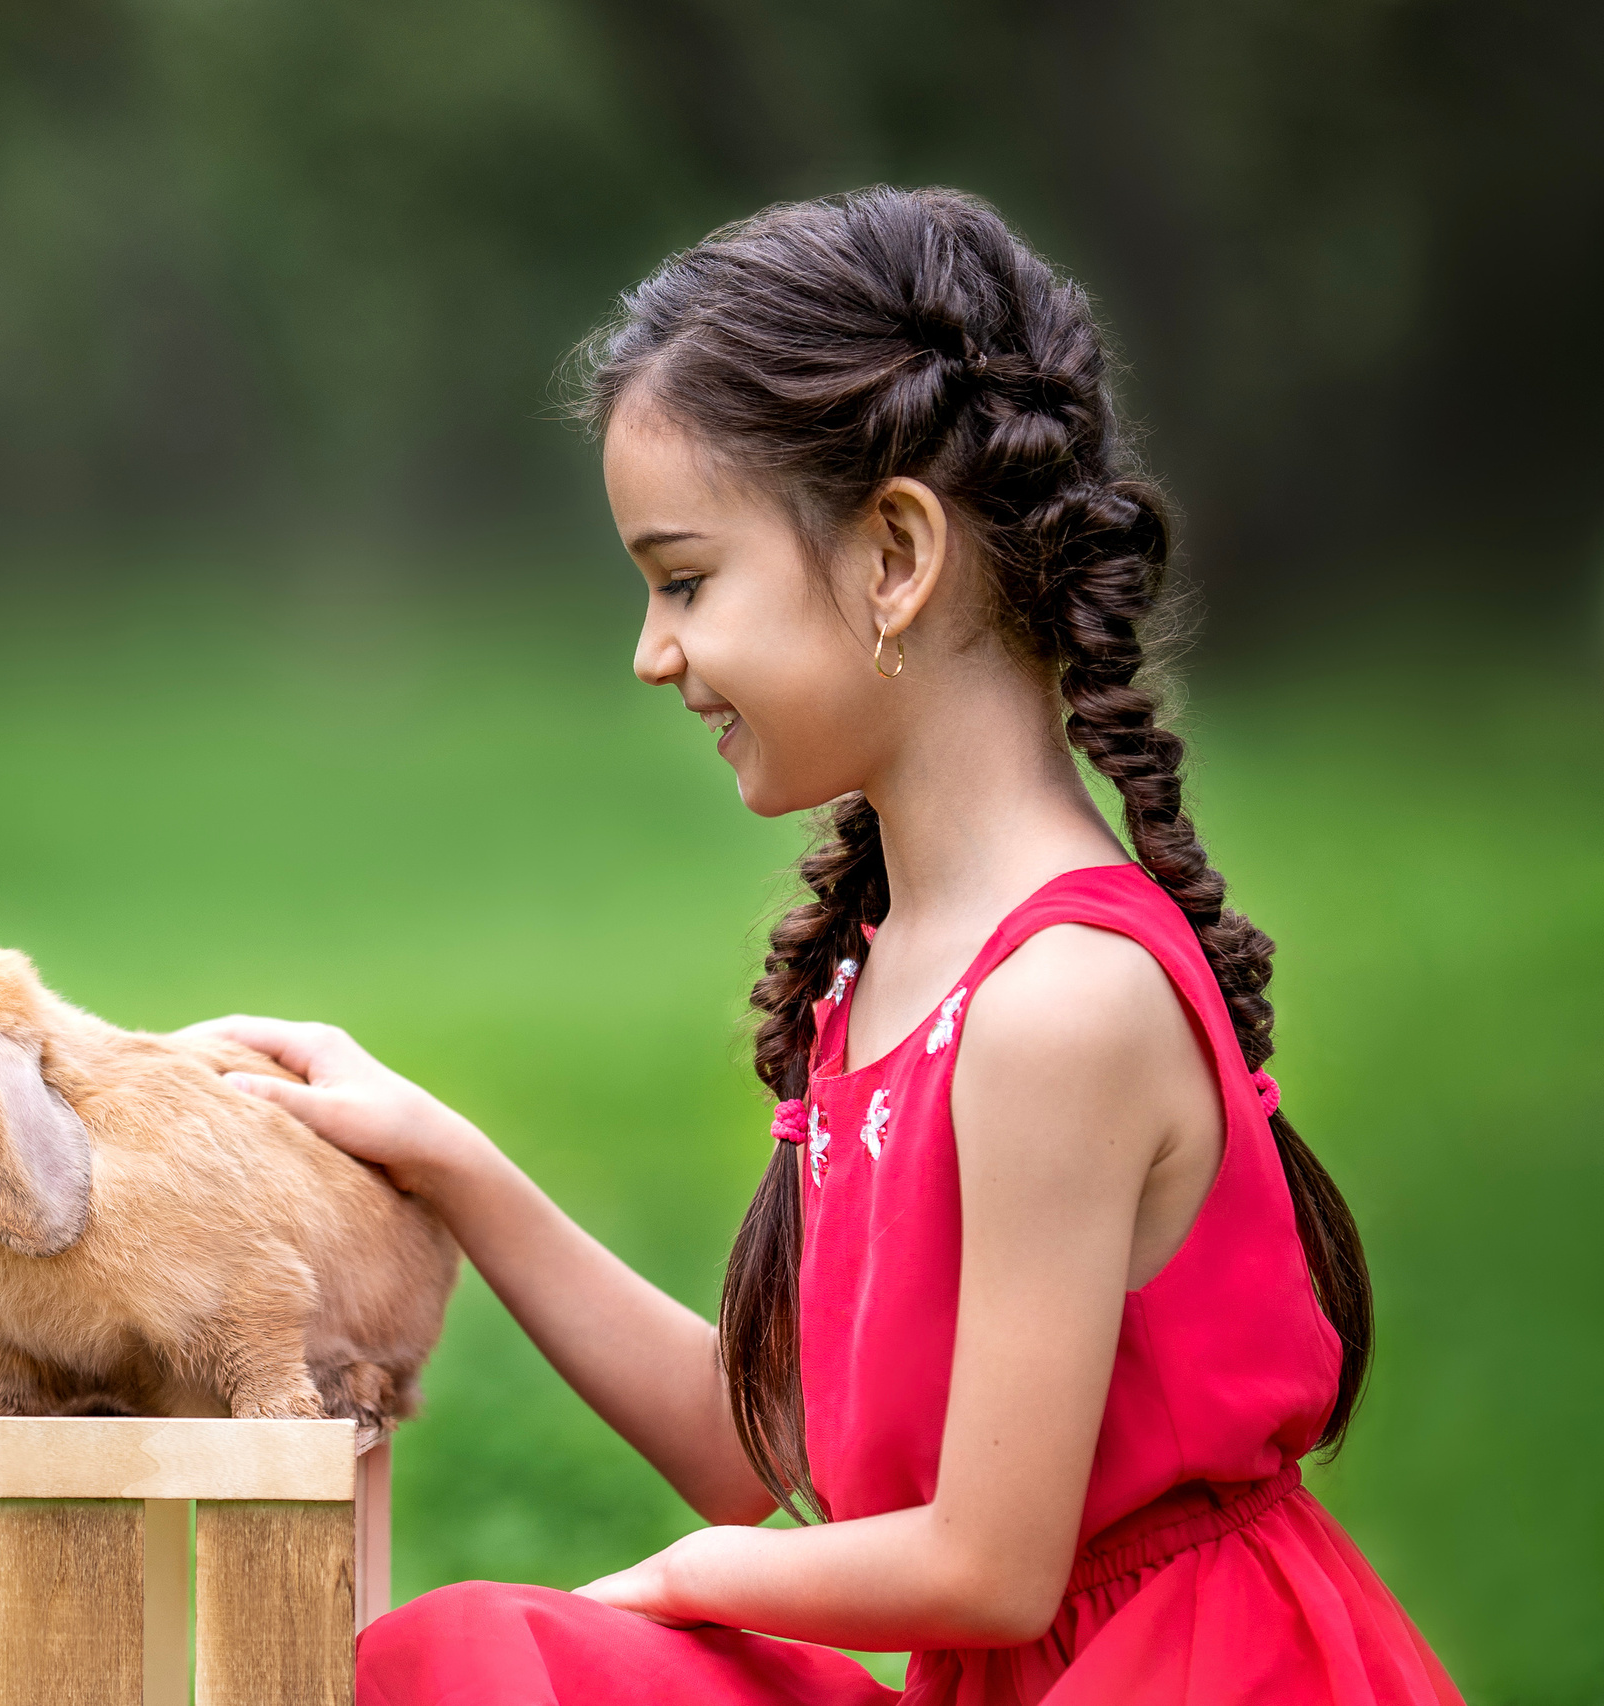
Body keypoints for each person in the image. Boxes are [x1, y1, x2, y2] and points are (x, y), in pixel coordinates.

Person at [191, 189, 1462, 1704]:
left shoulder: (1063, 1004)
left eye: (685, 579)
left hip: (1189, 1678)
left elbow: (989, 1566)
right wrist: (446, 1160)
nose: (653, 652)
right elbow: (766, 1450)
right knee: (469, 1653)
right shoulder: (891, 966)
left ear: (896, 555)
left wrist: (672, 1582)